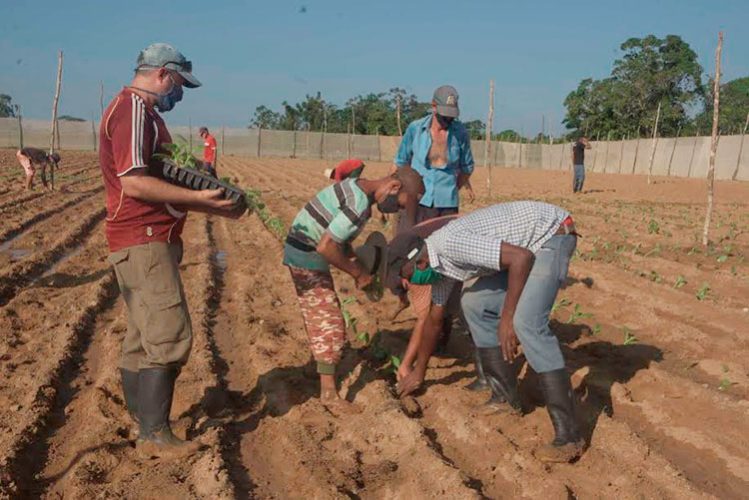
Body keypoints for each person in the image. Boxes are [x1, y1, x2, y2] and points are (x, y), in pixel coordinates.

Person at [100, 43, 238, 458]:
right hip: (143, 238)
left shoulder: (139, 112)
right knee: (169, 333)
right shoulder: (134, 111)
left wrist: (195, 185)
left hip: (138, 239)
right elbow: (135, 183)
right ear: (163, 74)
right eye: (179, 84)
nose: (180, 93)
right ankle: (154, 434)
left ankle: (143, 422)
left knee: (142, 337)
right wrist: (202, 201)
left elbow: (154, 172)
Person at [381, 201, 584, 463]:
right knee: (474, 304)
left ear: (418, 260)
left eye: (404, 275)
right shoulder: (438, 266)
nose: (406, 283)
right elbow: (434, 319)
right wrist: (419, 372)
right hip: (521, 248)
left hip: (551, 236)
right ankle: (505, 398)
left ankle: (569, 437)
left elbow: (521, 258)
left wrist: (507, 320)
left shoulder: (449, 245)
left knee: (527, 323)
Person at [283, 167, 424, 411]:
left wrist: (357, 264)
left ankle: (326, 377)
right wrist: (359, 274)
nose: (397, 211)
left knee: (324, 315)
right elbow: (326, 247)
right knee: (329, 322)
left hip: (302, 248)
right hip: (306, 255)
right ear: (394, 187)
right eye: (401, 204)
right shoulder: (359, 205)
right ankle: (329, 394)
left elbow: (340, 239)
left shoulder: (356, 185)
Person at [391, 85, 474, 229]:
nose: (448, 119)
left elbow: (466, 168)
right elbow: (400, 162)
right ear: (434, 106)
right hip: (417, 202)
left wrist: (450, 188)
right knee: (411, 246)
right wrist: (391, 195)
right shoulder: (415, 129)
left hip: (447, 206)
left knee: (444, 249)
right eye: (444, 115)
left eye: (451, 116)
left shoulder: (460, 133)